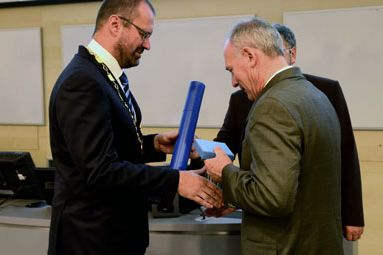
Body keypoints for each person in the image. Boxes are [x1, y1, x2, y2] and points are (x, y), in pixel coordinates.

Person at [48, 1, 222, 254]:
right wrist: (176, 181)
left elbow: (111, 147)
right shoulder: (82, 81)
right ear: (115, 24)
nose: (148, 45)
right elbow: (101, 170)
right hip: (92, 241)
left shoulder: (102, 75)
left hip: (115, 237)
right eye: (144, 34)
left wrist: (154, 144)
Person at [213, 23, 364, 242]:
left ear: (250, 56)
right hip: (314, 236)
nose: (233, 81)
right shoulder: (314, 95)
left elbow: (272, 197)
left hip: (286, 240)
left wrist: (225, 172)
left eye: (231, 70)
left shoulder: (273, 105)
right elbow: (291, 178)